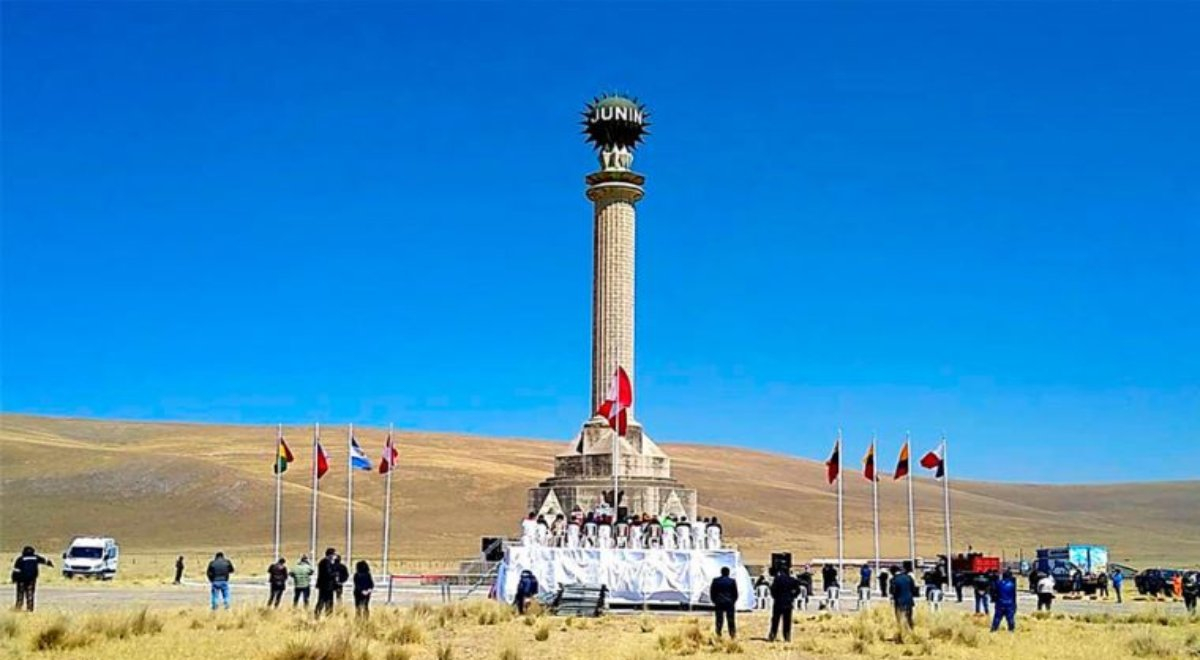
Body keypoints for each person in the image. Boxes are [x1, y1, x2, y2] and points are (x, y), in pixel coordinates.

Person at [11, 546, 53, 612]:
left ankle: (18, 608)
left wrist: (14, 579)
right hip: (31, 580)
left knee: (20, 594)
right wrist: (50, 564)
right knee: (30, 594)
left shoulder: (20, 559)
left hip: (21, 580)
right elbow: (45, 561)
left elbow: (16, 570)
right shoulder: (35, 558)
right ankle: (30, 609)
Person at [768, 567, 801, 642]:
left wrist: (775, 597)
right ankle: (787, 636)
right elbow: (798, 590)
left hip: (778, 602)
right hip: (788, 603)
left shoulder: (777, 580)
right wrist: (793, 596)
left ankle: (773, 635)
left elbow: (772, 590)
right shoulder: (792, 580)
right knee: (787, 621)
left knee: (775, 620)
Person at [709, 566, 739, 639]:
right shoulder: (732, 581)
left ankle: (718, 633)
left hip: (719, 602)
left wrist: (714, 600)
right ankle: (732, 634)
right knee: (731, 619)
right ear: (728, 573)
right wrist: (733, 601)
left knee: (719, 619)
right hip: (729, 602)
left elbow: (712, 592)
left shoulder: (716, 581)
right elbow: (735, 593)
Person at [891, 562, 916, 631]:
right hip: (909, 601)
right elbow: (913, 589)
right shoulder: (908, 577)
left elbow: (893, 591)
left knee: (900, 618)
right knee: (909, 617)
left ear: (892, 572)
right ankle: (912, 632)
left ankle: (903, 633)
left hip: (899, 601)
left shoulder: (894, 580)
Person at [315, 548, 338, 617]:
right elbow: (328, 573)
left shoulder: (323, 562)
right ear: (330, 555)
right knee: (326, 601)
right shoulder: (326, 562)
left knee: (323, 600)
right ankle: (327, 614)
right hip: (327, 585)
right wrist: (335, 574)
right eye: (334, 554)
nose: (335, 556)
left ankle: (321, 614)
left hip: (324, 585)